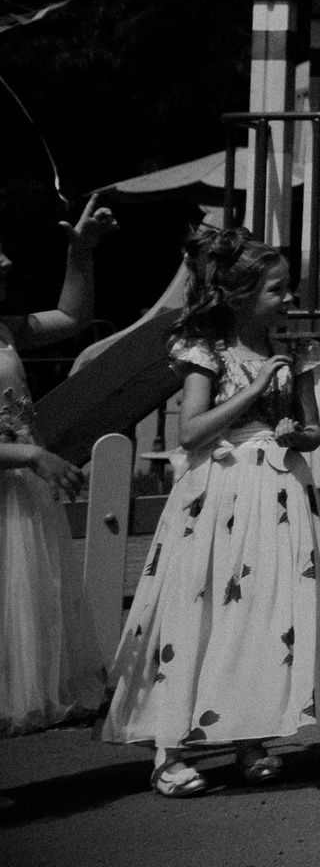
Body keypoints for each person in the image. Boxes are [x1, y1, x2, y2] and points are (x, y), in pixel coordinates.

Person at [100, 227, 320, 795]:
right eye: (276, 290)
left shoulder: (296, 353)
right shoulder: (205, 351)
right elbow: (191, 432)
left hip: (280, 490)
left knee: (263, 612)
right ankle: (168, 748)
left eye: (288, 288)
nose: (288, 299)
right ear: (240, 296)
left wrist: (297, 433)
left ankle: (250, 735)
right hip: (220, 493)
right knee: (200, 607)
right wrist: (256, 384)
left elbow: (313, 431)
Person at [0, 198, 114, 735]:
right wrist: (29, 453)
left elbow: (73, 317)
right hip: (13, 482)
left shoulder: (6, 329)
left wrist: (81, 253)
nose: (5, 263)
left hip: (16, 500)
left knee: (21, 623)